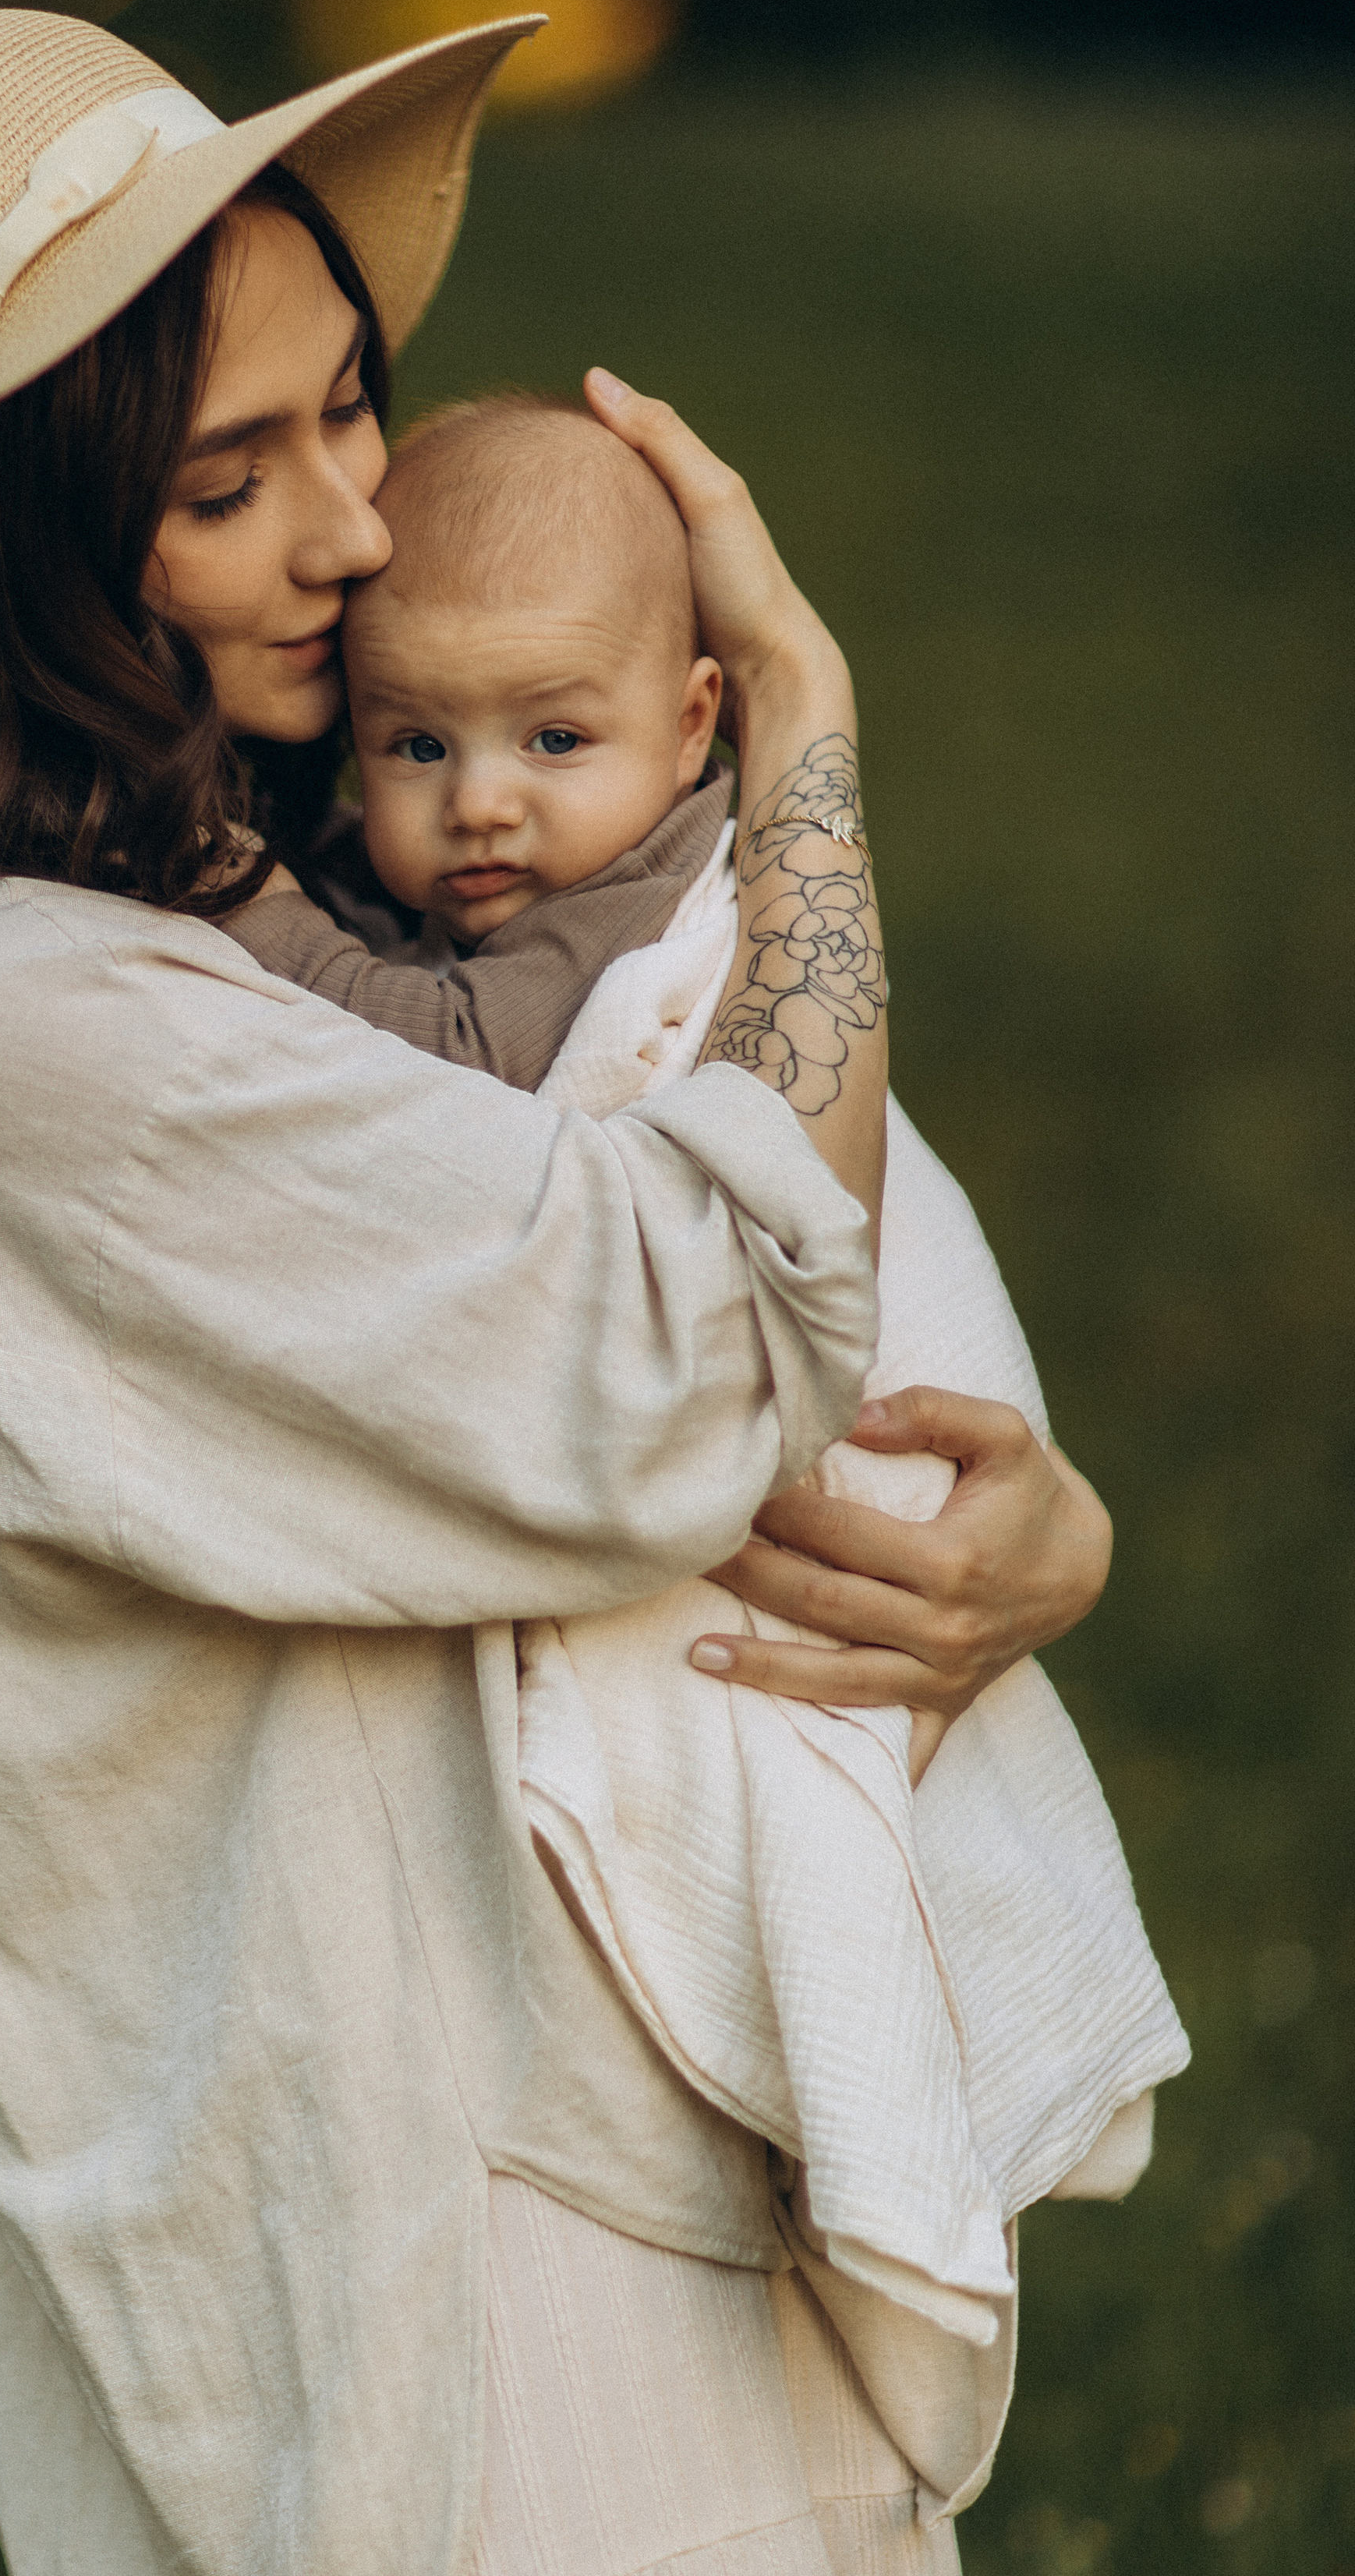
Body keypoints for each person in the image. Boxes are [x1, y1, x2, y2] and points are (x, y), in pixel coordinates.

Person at [0, 5, 1113, 2576]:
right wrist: (804, 733)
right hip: (436, 2249)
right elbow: (708, 1343)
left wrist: (1024, 1535)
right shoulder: (1, 1021)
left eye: (352, 409)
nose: (355, 529)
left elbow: (749, 1240)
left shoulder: (260, 868)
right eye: (233, 477)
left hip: (549, 2125)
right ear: (10, 540)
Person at [221, 392, 1190, 2522]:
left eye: (552, 744)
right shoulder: (563, 847)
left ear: (693, 730)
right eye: (414, 748)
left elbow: (458, 1057)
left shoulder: (646, 930)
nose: (482, 810)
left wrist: (232, 894)